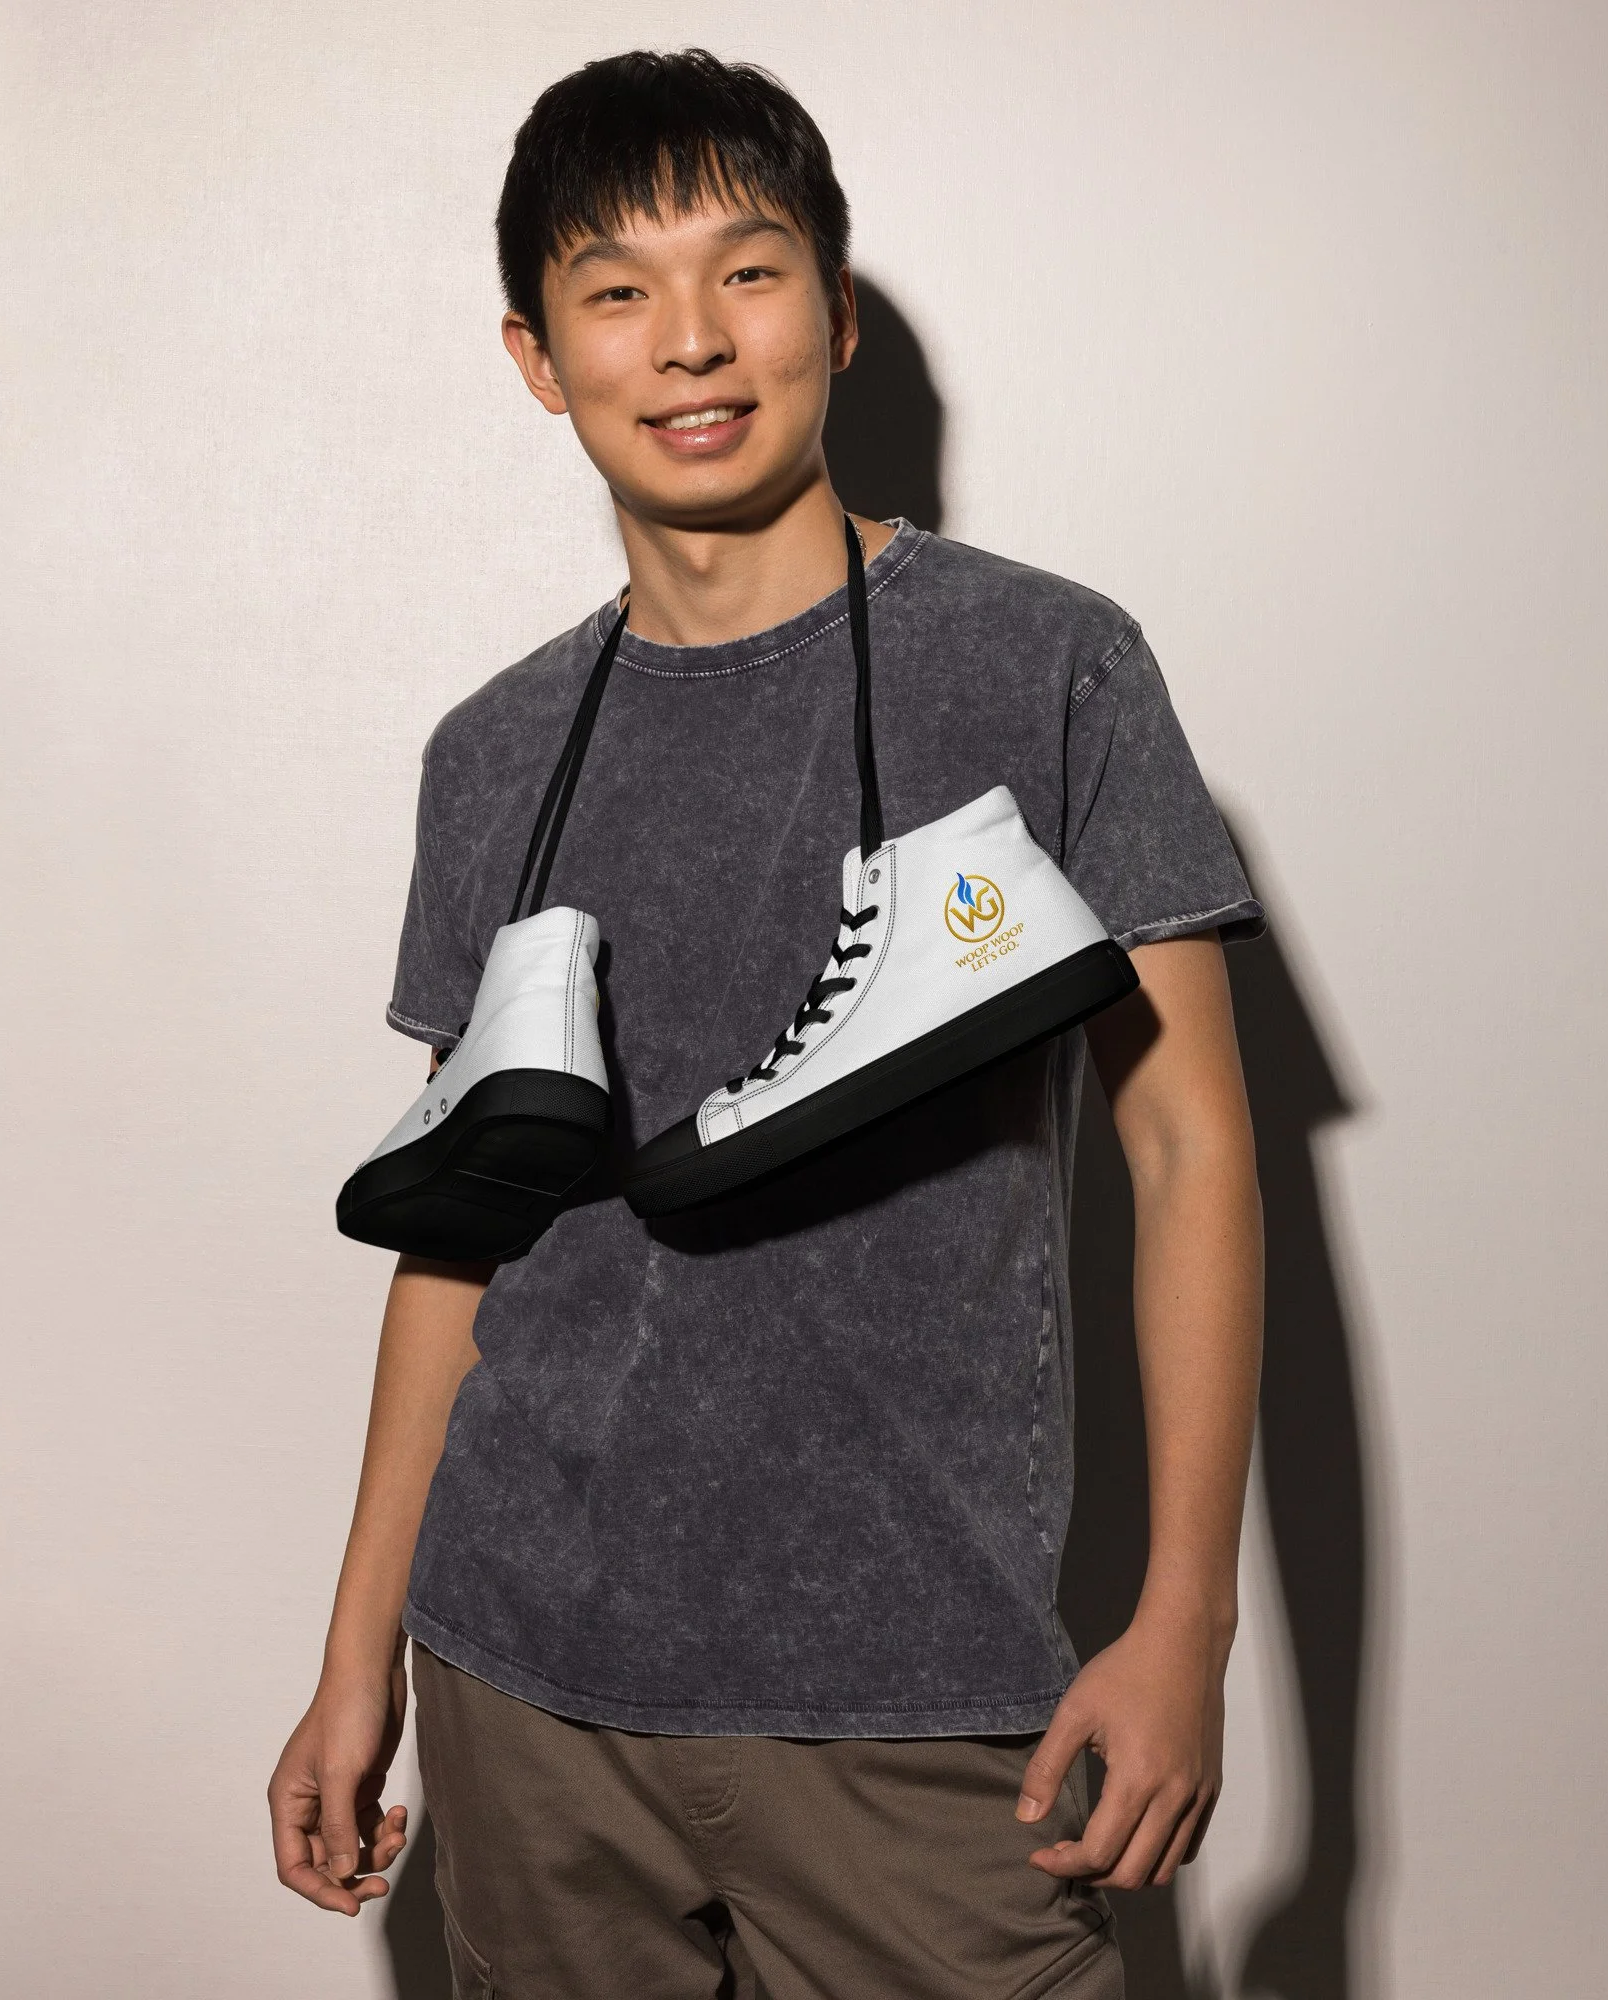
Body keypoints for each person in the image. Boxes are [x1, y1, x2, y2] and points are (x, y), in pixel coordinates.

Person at [268, 48, 1265, 1998]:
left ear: (835, 306)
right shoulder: (491, 754)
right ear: (537, 357)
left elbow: (1190, 1143)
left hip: (920, 1695)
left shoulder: (1044, 662)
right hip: (523, 1691)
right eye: (616, 290)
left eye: (747, 269)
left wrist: (1185, 1624)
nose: (692, 340)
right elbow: (458, 1240)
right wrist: (354, 1653)